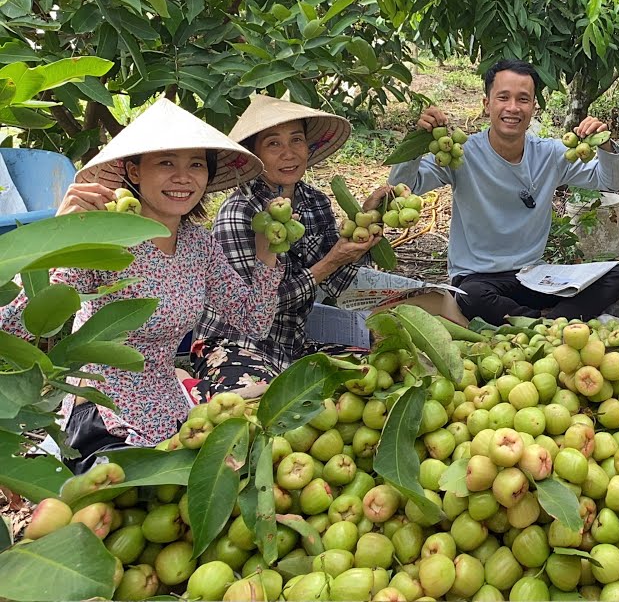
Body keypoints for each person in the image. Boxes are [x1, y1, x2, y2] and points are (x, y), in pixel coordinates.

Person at [0, 99, 282, 468]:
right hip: (104, 415)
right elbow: (12, 326)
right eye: (166, 162)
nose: (183, 177)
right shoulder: (103, 242)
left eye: (196, 164)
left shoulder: (199, 244)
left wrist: (267, 253)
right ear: (133, 171)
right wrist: (57, 240)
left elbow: (253, 322)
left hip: (169, 411)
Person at [387, 59, 619, 324]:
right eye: (503, 97)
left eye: (523, 99)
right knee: (471, 296)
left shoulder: (550, 154)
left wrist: (604, 143)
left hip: (533, 277)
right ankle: (552, 324)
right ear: (487, 104)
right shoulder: (461, 154)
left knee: (615, 277)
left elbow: (609, 181)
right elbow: (406, 188)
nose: (513, 108)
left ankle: (537, 325)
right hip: (479, 280)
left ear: (534, 107)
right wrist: (417, 141)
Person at [191, 95, 383, 400]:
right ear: (254, 156)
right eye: (273, 144)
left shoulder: (315, 203)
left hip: (291, 346)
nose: (289, 153)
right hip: (233, 345)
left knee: (377, 372)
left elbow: (337, 284)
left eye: (296, 140)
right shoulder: (239, 213)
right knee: (252, 401)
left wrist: (366, 226)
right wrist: (328, 264)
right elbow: (251, 314)